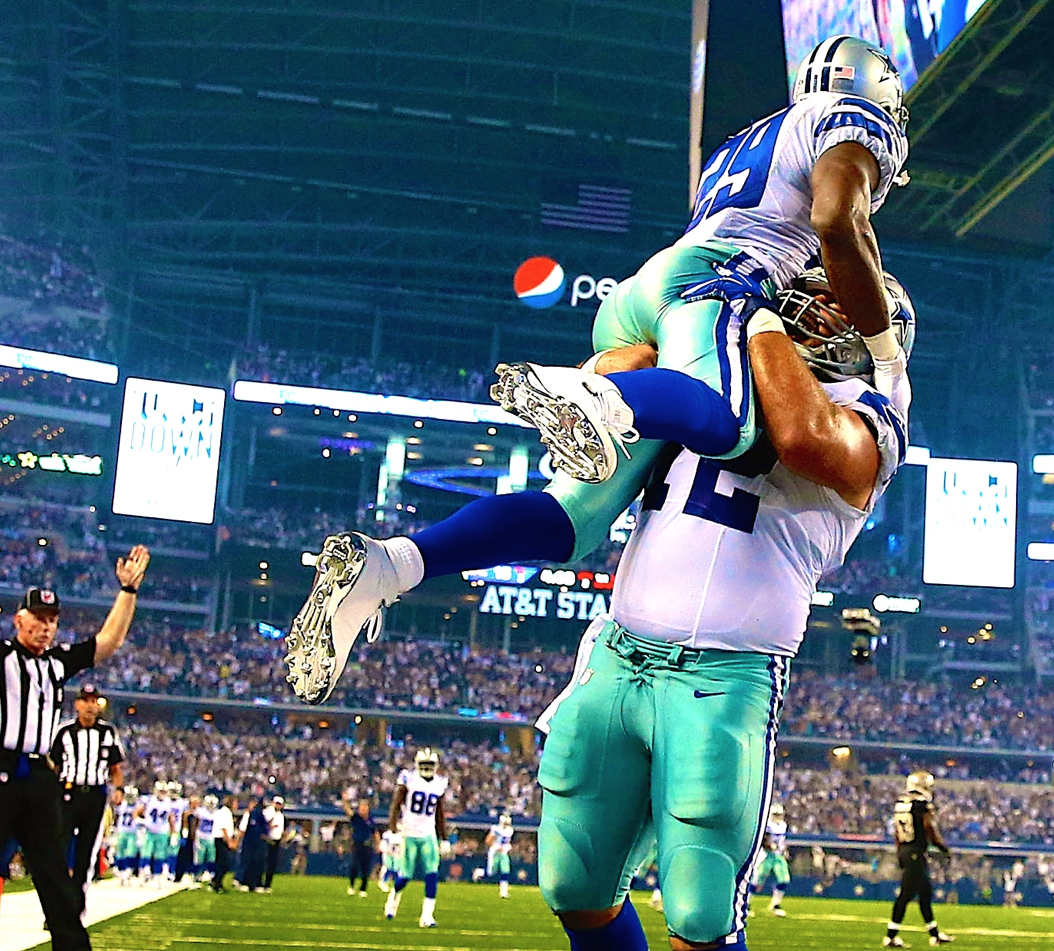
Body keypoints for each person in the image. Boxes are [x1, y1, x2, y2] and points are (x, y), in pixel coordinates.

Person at [285, 36, 914, 710]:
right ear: (873, 90)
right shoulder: (849, 127)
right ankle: (599, 396)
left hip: (648, 296)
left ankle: (392, 565)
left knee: (571, 521)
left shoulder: (742, 142)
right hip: (716, 285)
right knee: (727, 420)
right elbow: (837, 223)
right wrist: (882, 349)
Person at [532, 264, 912, 951]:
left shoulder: (869, 412)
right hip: (619, 652)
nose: (812, 307)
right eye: (807, 297)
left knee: (701, 910)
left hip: (727, 676)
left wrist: (741, 315)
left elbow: (795, 435)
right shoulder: (727, 356)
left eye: (834, 304)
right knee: (573, 881)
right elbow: (618, 384)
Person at [0, 523, 147, 951]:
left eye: (52, 620)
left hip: (38, 774)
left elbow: (105, 643)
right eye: (38, 619)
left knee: (53, 867)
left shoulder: (56, 663)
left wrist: (127, 591)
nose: (46, 627)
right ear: (19, 620)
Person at [51, 683, 124, 899]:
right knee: (60, 848)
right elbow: (53, 765)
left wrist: (118, 788)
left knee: (87, 851)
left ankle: (76, 905)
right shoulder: (64, 732)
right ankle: (57, 904)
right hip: (67, 792)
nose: (90, 706)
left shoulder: (107, 732)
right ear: (77, 704)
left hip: (95, 794)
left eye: (94, 701)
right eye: (86, 701)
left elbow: (115, 767)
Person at [884, 771, 951, 948]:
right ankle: (890, 936)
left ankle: (935, 935)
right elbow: (928, 826)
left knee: (925, 893)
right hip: (915, 852)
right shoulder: (921, 804)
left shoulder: (900, 803)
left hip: (906, 850)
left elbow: (897, 832)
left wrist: (900, 852)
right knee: (906, 895)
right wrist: (942, 847)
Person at [384, 749, 447, 927]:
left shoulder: (439, 784)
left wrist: (444, 838)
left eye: (430, 765)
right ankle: (394, 897)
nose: (427, 768)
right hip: (409, 834)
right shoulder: (408, 779)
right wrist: (393, 831)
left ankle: (427, 916)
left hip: (428, 834)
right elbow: (395, 806)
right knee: (405, 877)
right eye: (424, 765)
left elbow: (439, 813)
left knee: (432, 874)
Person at [752, 802, 790, 917]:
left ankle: (775, 905)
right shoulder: (766, 824)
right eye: (776, 814)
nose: (778, 817)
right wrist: (769, 846)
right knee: (757, 881)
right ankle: (745, 905)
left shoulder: (783, 825)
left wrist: (784, 849)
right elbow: (763, 840)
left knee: (784, 879)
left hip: (778, 856)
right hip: (766, 855)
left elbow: (782, 840)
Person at [346, 793, 377, 896]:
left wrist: (378, 844)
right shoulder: (356, 818)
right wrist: (345, 801)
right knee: (354, 866)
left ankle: (363, 889)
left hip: (367, 846)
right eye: (361, 807)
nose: (363, 809)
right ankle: (351, 886)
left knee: (365, 868)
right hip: (357, 844)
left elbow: (375, 832)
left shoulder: (371, 820)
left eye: (365, 807)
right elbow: (349, 812)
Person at [207, 792, 237, 893]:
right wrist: (229, 841)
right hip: (221, 839)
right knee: (224, 863)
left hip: (222, 839)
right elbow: (224, 828)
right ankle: (216, 882)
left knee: (223, 863)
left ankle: (216, 881)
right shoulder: (225, 812)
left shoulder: (225, 812)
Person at [485, 810, 515, 898]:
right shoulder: (495, 829)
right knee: (490, 873)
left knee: (505, 871)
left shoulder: (510, 830)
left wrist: (507, 847)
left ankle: (503, 892)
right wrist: (496, 846)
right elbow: (488, 841)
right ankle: (479, 872)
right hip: (495, 853)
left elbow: (507, 842)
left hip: (504, 853)